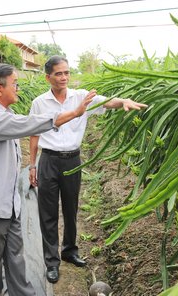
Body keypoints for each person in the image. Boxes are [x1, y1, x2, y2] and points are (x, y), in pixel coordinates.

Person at [0, 63, 96, 295]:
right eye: (15, 84)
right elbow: (28, 125)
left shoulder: (4, 114)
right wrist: (74, 114)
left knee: (16, 261)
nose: (18, 88)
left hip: (10, 204)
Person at [29, 55, 148, 284]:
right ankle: (51, 262)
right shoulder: (39, 102)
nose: (64, 77)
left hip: (73, 160)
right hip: (48, 160)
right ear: (48, 77)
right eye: (58, 74)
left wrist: (123, 100)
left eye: (66, 72)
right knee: (48, 212)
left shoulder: (81, 97)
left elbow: (107, 101)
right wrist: (32, 164)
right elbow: (34, 133)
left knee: (71, 208)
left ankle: (70, 250)